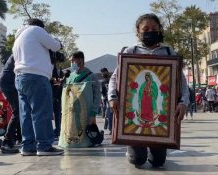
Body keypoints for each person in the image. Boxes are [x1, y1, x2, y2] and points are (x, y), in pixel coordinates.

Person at [108, 13, 189, 168]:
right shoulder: (131, 52)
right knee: (137, 160)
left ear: (159, 30)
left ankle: (156, 151)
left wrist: (183, 102)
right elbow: (115, 78)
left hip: (159, 117)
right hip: (135, 113)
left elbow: (181, 82)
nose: (150, 31)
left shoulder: (168, 52)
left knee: (158, 162)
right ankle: (133, 150)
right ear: (138, 32)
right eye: (146, 29)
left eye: (154, 28)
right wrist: (112, 97)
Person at [12, 18, 64, 156]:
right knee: (42, 112)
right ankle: (44, 145)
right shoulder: (36, 30)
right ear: (41, 27)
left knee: (26, 114)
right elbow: (55, 45)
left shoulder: (19, 37)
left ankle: (28, 146)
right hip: (36, 76)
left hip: (20, 77)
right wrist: (58, 42)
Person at [58, 51, 101, 148]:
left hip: (85, 114)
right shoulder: (70, 76)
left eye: (73, 60)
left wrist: (93, 114)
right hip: (70, 115)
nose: (72, 63)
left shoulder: (91, 76)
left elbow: (97, 96)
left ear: (80, 60)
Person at [0, 55, 21, 154]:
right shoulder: (20, 52)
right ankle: (7, 143)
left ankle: (9, 142)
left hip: (8, 83)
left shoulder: (18, 50)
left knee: (19, 111)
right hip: (9, 84)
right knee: (18, 112)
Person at [51, 63, 64, 139]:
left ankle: (58, 130)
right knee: (57, 115)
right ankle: (58, 130)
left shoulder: (57, 72)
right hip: (56, 96)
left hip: (55, 96)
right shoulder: (56, 72)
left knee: (57, 115)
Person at [100, 67, 113, 135]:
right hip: (108, 100)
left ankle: (109, 125)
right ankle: (110, 128)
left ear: (107, 72)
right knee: (109, 113)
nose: (103, 74)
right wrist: (103, 101)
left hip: (114, 98)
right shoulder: (103, 82)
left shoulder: (112, 79)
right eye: (102, 73)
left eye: (104, 73)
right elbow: (103, 92)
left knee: (111, 114)